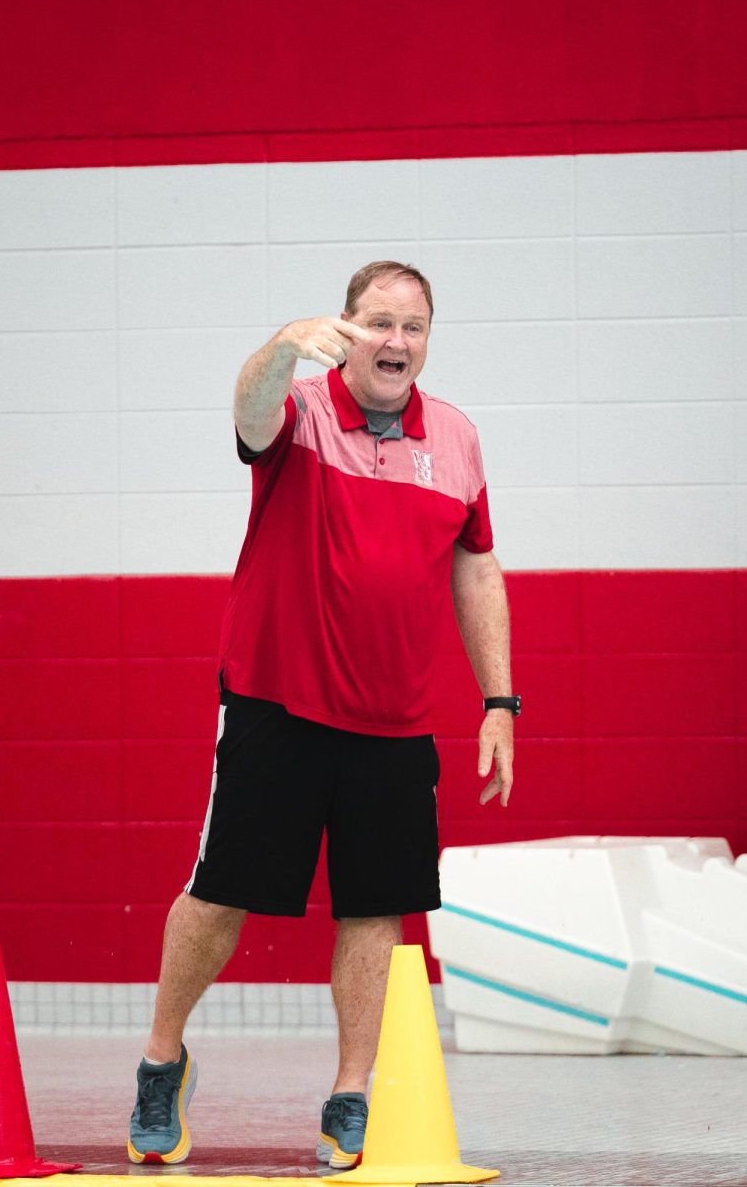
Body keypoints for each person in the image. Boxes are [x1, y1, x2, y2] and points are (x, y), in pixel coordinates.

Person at [127, 261, 518, 1168]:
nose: (397, 342)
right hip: (276, 703)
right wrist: (278, 347)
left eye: (413, 327)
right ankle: (160, 1060)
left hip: (394, 719)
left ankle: (349, 1093)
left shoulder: (455, 437)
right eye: (379, 323)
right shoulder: (298, 411)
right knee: (220, 896)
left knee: (375, 911)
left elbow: (476, 566)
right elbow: (247, 410)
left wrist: (498, 699)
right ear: (345, 329)